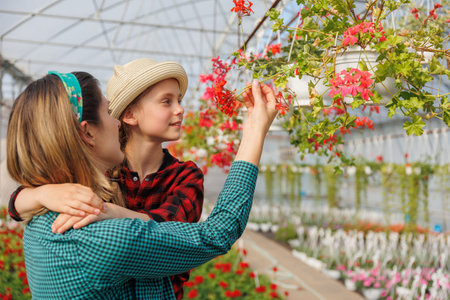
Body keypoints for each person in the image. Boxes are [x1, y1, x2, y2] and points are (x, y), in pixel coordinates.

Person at [6, 70, 277, 298]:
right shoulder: (104, 235)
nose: (116, 122)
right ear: (87, 132)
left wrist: (38, 195)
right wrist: (254, 130)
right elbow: (216, 234)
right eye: (109, 111)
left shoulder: (45, 217)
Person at [9, 59, 205, 299]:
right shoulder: (104, 169)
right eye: (167, 101)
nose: (180, 109)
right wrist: (39, 193)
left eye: (179, 100)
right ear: (130, 115)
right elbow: (21, 202)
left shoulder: (184, 175)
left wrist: (110, 211)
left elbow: (176, 236)